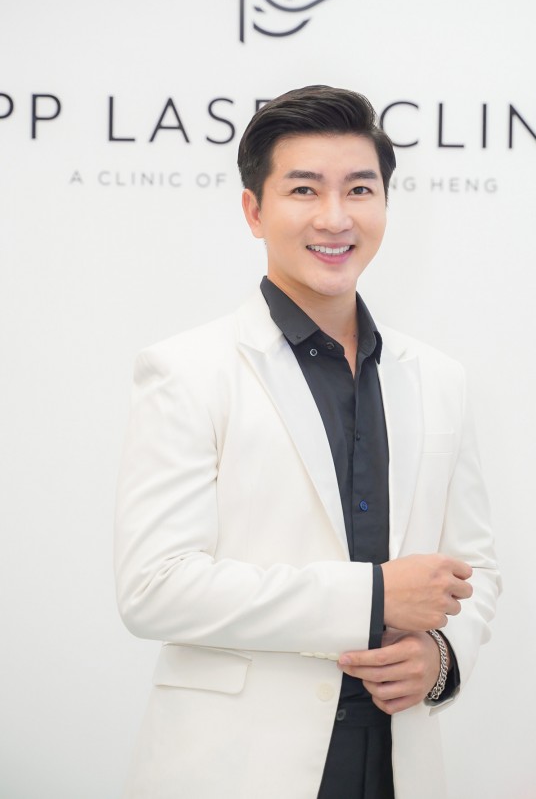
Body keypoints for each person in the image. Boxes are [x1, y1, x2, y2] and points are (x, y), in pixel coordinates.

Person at [115, 85, 500, 799]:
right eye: (303, 189)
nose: (335, 217)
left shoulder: (439, 377)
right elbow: (155, 588)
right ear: (253, 211)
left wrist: (442, 657)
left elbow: (472, 568)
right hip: (236, 769)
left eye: (360, 189)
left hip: (396, 759)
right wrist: (374, 596)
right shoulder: (187, 369)